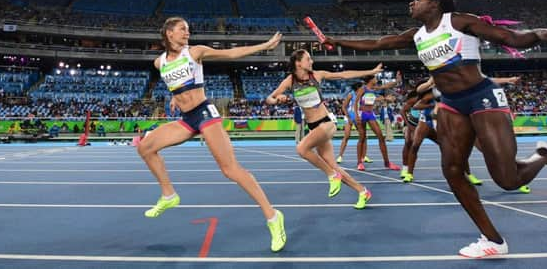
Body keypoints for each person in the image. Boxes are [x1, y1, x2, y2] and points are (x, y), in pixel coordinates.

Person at [325, 0, 547, 258]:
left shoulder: (458, 22)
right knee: (453, 171)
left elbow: (509, 37)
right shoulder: (417, 35)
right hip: (451, 104)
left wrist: (541, 34)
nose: (411, 3)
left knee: (508, 180)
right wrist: (336, 41)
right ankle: (492, 240)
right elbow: (376, 45)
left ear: (435, 4)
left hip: (482, 97)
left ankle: (544, 155)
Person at [137, 17, 286, 253]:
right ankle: (168, 195)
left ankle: (273, 216)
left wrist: (263, 46)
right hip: (187, 120)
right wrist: (176, 97)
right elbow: (177, 83)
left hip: (205, 113)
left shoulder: (195, 52)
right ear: (169, 33)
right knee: (145, 147)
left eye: (187, 29)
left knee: (230, 170)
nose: (187, 32)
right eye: (182, 29)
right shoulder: (159, 62)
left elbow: (231, 54)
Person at [265, 49, 383, 209]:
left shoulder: (317, 75)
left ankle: (331, 176)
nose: (312, 61)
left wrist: (371, 71)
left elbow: (343, 74)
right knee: (333, 165)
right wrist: (277, 99)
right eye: (308, 59)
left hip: (326, 122)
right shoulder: (290, 81)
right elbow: (269, 98)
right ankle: (362, 191)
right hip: (314, 127)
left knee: (301, 149)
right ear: (298, 63)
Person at [353, 75, 402, 171]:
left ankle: (387, 163)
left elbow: (386, 86)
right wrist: (356, 115)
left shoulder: (374, 88)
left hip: (370, 114)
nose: (376, 80)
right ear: (370, 80)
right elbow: (356, 102)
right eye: (375, 78)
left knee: (380, 136)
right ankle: (359, 162)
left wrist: (396, 81)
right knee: (362, 137)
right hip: (362, 113)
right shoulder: (363, 89)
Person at [335, 82, 369, 165]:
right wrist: (348, 117)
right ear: (358, 88)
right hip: (350, 117)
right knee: (346, 136)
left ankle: (364, 157)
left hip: (358, 118)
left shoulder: (364, 95)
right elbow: (343, 107)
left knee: (364, 137)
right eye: (362, 86)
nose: (364, 88)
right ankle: (340, 156)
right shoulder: (351, 94)